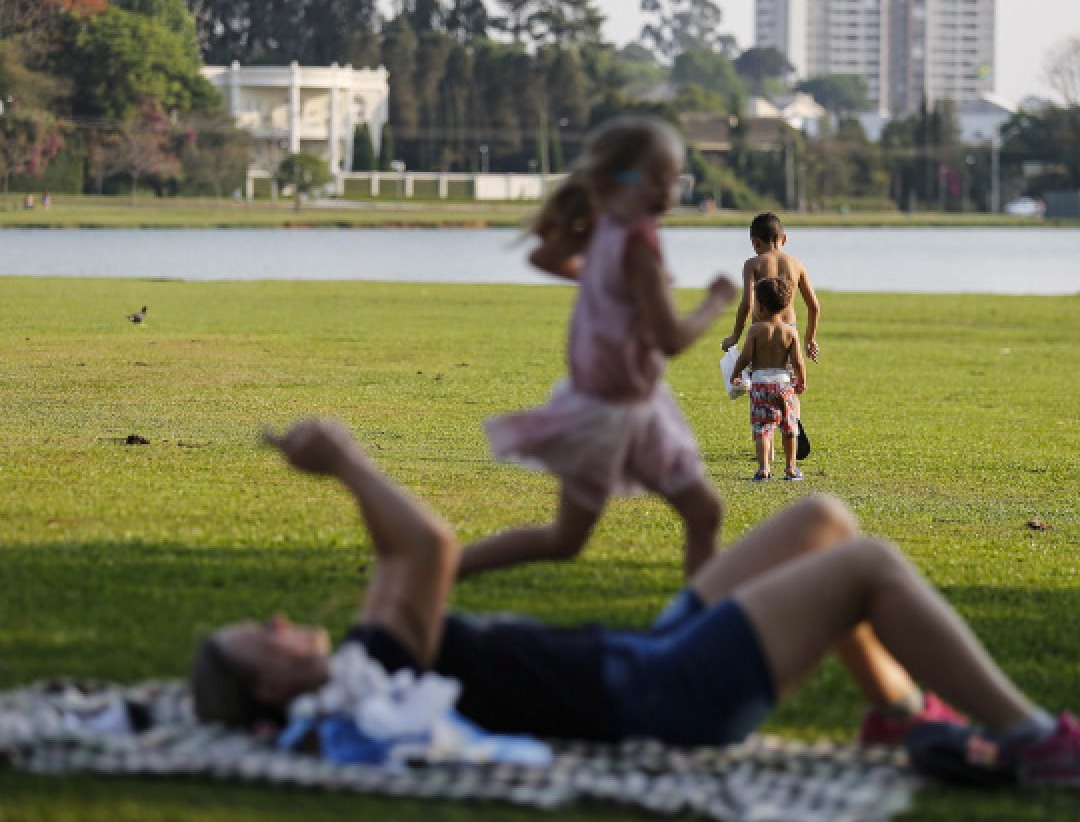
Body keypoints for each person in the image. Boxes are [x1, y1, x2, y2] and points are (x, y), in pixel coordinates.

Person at [192, 419, 1080, 785]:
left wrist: (342, 473)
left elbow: (399, 557)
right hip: (663, 697)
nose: (276, 623)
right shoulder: (374, 681)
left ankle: (895, 713)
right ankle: (1036, 740)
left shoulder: (365, 659)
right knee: (869, 568)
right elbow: (429, 548)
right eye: (258, 641)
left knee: (820, 519)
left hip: (640, 658)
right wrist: (344, 458)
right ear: (272, 693)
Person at [460, 115, 737, 580]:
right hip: (605, 416)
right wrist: (715, 301)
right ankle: (442, 569)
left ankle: (697, 627)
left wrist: (603, 280)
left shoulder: (608, 227)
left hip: (641, 409)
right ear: (612, 183)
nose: (668, 188)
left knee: (704, 513)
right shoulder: (636, 241)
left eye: (674, 177)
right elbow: (670, 340)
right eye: (656, 177)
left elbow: (543, 256)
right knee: (566, 540)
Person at [730, 277, 807, 482]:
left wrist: (735, 372)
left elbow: (745, 357)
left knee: (762, 429)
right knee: (790, 427)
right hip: (784, 385)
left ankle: (764, 469)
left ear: (760, 305)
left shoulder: (755, 330)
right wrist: (801, 381)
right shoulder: (790, 332)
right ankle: (791, 468)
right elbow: (798, 361)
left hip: (760, 385)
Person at [721, 212, 820, 364]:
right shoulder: (796, 264)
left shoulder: (752, 264)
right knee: (787, 383)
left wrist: (734, 337)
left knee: (761, 381)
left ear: (755, 242)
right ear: (784, 239)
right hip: (788, 330)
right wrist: (809, 338)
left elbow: (747, 303)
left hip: (761, 330)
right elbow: (814, 306)